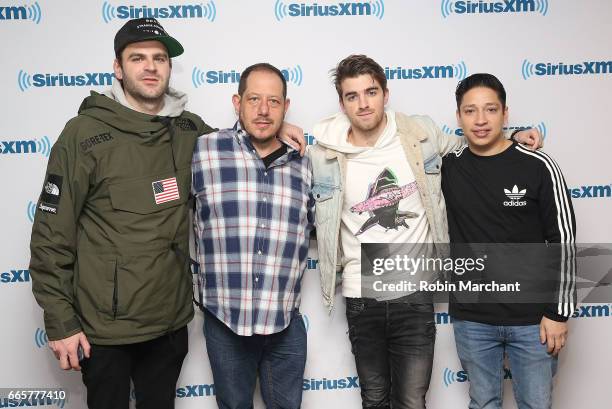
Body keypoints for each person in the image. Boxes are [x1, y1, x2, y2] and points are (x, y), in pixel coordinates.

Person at [29, 19, 305, 409]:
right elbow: (50, 238)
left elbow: (245, 146)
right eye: (137, 57)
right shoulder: (82, 135)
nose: (151, 66)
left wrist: (277, 127)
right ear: (118, 68)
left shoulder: (189, 130)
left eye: (160, 58)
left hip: (169, 325)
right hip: (104, 330)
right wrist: (61, 322)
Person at [309, 55, 542, 409]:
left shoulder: (420, 135)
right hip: (361, 294)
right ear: (342, 103)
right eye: (352, 96)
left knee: (412, 400)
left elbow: (474, 142)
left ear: (386, 94)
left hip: (415, 295)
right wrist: (282, 128)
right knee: (373, 399)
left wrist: (511, 136)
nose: (363, 102)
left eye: (371, 91)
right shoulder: (322, 153)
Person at [441, 73, 576, 409]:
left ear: (505, 112)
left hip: (534, 321)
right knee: (483, 403)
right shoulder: (447, 167)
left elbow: (563, 241)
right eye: (470, 111)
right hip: (473, 318)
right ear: (458, 117)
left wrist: (559, 313)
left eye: (490, 109)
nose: (481, 120)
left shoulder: (538, 166)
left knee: (536, 405)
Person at [192, 63, 314, 409]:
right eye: (254, 99)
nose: (263, 110)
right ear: (237, 102)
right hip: (226, 320)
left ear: (286, 107)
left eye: (274, 102)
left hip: (284, 322)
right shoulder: (203, 150)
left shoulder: (304, 162)